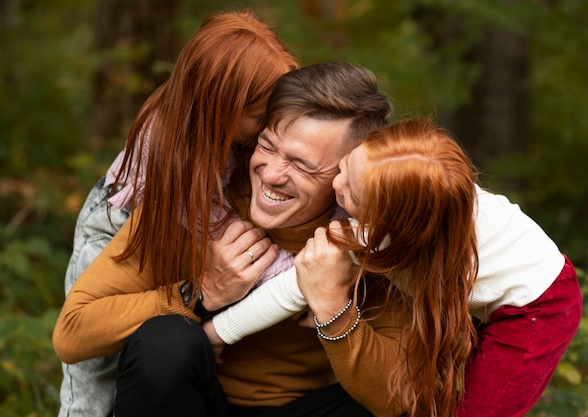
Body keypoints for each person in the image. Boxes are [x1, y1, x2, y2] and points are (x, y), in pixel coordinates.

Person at [53, 62, 402, 416]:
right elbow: (73, 332)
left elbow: (398, 395)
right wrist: (201, 294)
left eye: (303, 165)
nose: (271, 174)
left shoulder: (364, 239)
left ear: (348, 174)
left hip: (299, 407)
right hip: (196, 403)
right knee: (166, 341)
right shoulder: (197, 202)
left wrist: (334, 309)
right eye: (267, 146)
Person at [57, 10, 298, 417]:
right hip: (120, 222)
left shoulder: (224, 134)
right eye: (259, 118)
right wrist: (292, 274)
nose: (264, 131)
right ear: (222, 107)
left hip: (186, 227)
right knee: (94, 386)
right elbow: (218, 231)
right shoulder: (172, 147)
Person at [295, 117, 582, 417]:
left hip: (541, 306)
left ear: (395, 221)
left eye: (352, 196)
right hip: (517, 281)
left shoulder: (387, 233)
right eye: (344, 165)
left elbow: (299, 282)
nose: (335, 183)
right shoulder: (415, 184)